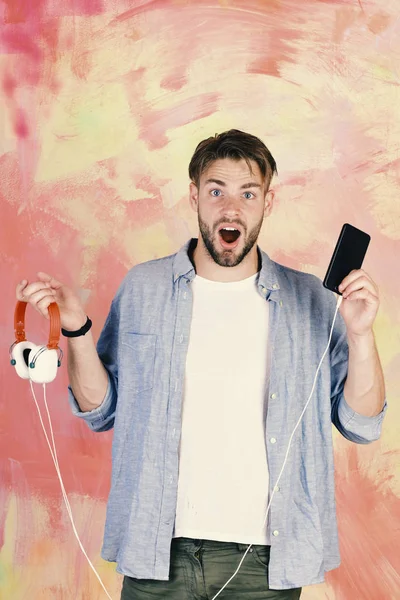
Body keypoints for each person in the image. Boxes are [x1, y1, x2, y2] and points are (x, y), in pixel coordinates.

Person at [16, 130, 387, 600]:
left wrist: (359, 334)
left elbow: (362, 423)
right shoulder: (144, 288)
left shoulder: (311, 299)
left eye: (247, 193)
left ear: (268, 202)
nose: (231, 209)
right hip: (156, 553)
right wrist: (74, 329)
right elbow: (99, 409)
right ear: (194, 196)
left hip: (265, 564)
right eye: (216, 191)